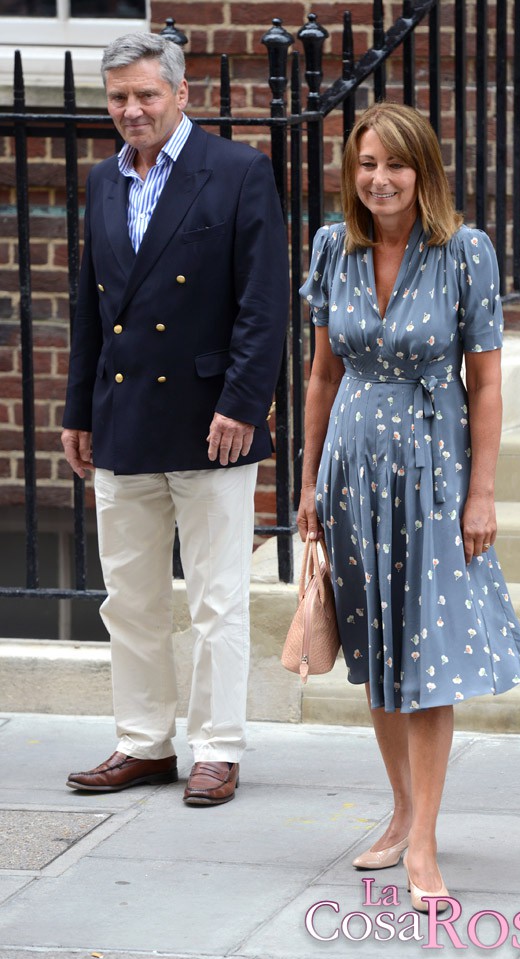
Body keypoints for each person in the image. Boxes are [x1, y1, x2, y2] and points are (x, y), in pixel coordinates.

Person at [297, 102, 520, 909]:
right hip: (351, 473)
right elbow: (324, 376)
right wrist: (305, 486)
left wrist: (482, 491)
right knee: (377, 651)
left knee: (428, 658)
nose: (380, 179)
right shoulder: (336, 244)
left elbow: (488, 380)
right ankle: (401, 809)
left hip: (434, 474)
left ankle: (427, 838)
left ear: (423, 170)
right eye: (366, 164)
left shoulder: (464, 252)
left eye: (395, 165)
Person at [61, 33, 289, 806]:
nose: (131, 110)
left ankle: (218, 747)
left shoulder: (237, 172)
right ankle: (142, 741)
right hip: (121, 416)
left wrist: (243, 403)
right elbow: (89, 305)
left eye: (146, 95)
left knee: (216, 594)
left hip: (210, 420)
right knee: (129, 595)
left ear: (181, 94)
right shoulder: (101, 181)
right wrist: (76, 409)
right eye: (118, 97)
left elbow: (264, 304)